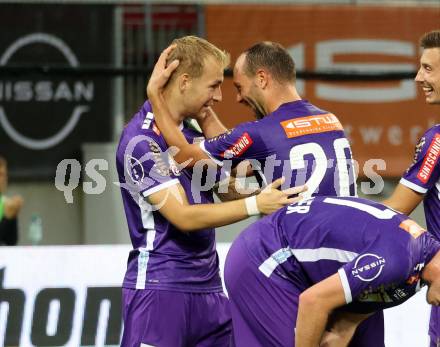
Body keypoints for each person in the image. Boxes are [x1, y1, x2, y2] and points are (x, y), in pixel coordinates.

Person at [116, 37, 305, 347]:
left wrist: (277, 198)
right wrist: (258, 203)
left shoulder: (187, 135)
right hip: (160, 292)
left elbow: (226, 185)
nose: (219, 96)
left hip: (210, 293)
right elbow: (184, 217)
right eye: (213, 86)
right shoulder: (141, 142)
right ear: (184, 82)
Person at [147, 41, 357, 198]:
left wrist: (155, 95)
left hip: (304, 243)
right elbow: (238, 161)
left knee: (247, 248)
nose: (238, 98)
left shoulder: (261, 132)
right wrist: (205, 110)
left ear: (262, 79)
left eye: (239, 87)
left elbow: (185, 156)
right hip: (349, 239)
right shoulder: (330, 120)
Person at [224, 195, 440, 347]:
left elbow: (349, 318)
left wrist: (341, 331)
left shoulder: (420, 265)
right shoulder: (397, 260)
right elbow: (313, 302)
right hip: (264, 254)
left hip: (300, 265)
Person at [382, 30, 440, 346]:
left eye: (428, 68)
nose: (418, 78)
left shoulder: (437, 141)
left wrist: (335, 216)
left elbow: (391, 214)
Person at [0, 156, 23, 246]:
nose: (4, 179)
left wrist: (12, 217)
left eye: (5, 175)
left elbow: (11, 242)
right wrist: (7, 218)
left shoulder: (5, 202)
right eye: (0, 175)